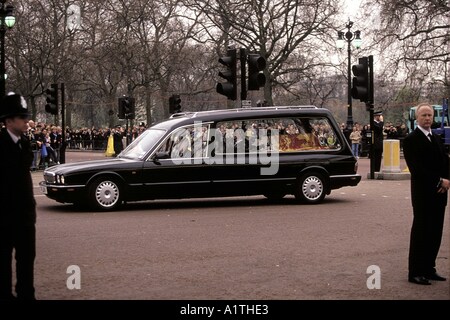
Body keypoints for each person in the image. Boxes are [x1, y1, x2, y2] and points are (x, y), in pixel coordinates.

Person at [403, 103, 449, 285]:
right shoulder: (411, 140)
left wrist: (447, 180)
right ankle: (415, 271)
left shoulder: (436, 137)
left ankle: (429, 268)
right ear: (417, 118)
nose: (428, 118)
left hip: (440, 193)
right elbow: (417, 169)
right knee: (421, 233)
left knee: (435, 232)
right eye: (424, 115)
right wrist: (439, 181)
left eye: (430, 115)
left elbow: (446, 161)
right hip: (423, 195)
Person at [0, 93, 37, 300]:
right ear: (8, 121)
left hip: (24, 216)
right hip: (4, 216)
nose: (26, 121)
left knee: (26, 259)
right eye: (21, 117)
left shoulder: (24, 143)